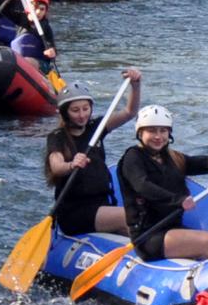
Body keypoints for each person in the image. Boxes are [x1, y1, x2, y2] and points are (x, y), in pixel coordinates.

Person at [116, 106, 208, 262]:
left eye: (163, 131)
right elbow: (142, 185)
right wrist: (178, 200)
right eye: (152, 131)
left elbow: (205, 163)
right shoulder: (133, 157)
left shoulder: (171, 157)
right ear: (140, 133)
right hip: (148, 236)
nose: (158, 136)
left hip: (173, 229)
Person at [43, 67, 141, 239]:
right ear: (65, 112)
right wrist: (71, 164)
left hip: (103, 205)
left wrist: (135, 85)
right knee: (132, 216)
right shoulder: (58, 137)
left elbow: (129, 112)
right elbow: (56, 166)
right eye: (75, 110)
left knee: (140, 228)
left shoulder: (96, 128)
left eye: (85, 108)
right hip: (76, 212)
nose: (82, 115)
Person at [7, 0, 56, 69]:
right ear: (29, 9)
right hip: (18, 60)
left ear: (45, 12)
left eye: (42, 9)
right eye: (35, 8)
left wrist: (52, 52)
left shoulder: (46, 27)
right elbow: (3, 10)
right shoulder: (21, 19)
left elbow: (51, 46)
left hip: (40, 63)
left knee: (27, 61)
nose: (38, 12)